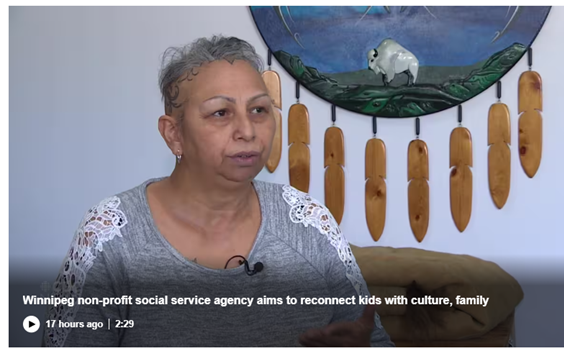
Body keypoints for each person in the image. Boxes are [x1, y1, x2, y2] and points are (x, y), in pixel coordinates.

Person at [43, 35, 395, 347]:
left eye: (259, 110)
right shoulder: (111, 235)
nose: (247, 130)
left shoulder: (309, 223)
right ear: (174, 134)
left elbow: (373, 338)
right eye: (221, 113)